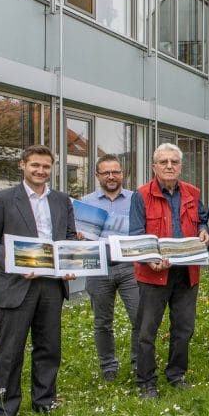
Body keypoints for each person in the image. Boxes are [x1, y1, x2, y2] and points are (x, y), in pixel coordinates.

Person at [0, 145, 77, 416]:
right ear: (23, 165)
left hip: (51, 285)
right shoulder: (2, 199)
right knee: (10, 350)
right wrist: (16, 263)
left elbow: (69, 238)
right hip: (16, 285)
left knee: (49, 347)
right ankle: (6, 410)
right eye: (35, 165)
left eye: (46, 167)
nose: (40, 171)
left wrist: (70, 266)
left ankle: (44, 402)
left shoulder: (62, 200)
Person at [129, 143, 209, 399]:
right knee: (146, 330)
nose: (169, 166)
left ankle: (176, 374)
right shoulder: (141, 195)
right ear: (154, 166)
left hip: (187, 271)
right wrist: (150, 260)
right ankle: (146, 381)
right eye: (163, 162)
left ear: (180, 166)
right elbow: (136, 234)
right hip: (154, 272)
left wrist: (204, 231)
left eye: (174, 162)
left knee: (184, 327)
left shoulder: (193, 193)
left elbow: (202, 220)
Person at [81, 154, 140, 382]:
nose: (111, 176)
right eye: (105, 172)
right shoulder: (85, 202)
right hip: (99, 268)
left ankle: (138, 363)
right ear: (97, 176)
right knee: (102, 322)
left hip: (130, 268)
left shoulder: (136, 199)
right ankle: (108, 368)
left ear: (122, 173)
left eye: (115, 171)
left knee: (139, 318)